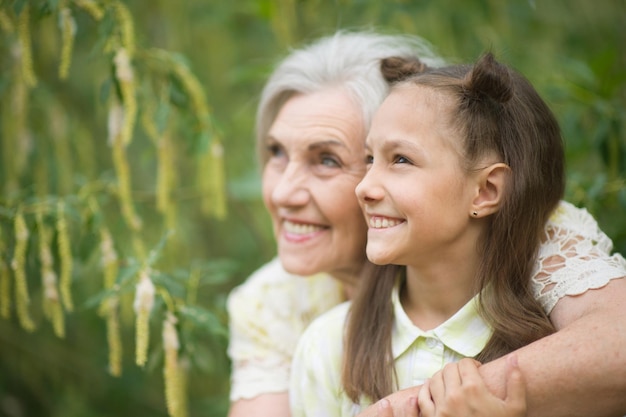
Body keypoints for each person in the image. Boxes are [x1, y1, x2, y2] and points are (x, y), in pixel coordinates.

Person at [226, 30, 626, 417]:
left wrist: (436, 404)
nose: (282, 193)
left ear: (486, 190)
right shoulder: (284, 310)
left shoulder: (541, 236)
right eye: (276, 152)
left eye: (327, 159)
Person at [289, 51, 566, 415]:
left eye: (401, 160)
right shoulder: (329, 347)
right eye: (371, 159)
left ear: (486, 191)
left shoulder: (555, 348)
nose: (365, 188)